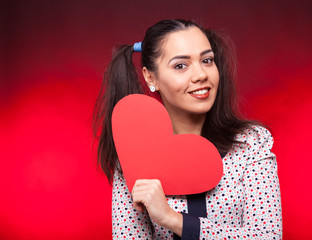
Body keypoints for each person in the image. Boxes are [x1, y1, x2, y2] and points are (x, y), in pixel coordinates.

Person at [93, 19, 282, 239]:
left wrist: (172, 219)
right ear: (150, 77)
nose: (201, 74)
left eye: (207, 60)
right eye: (180, 65)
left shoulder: (251, 144)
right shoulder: (134, 157)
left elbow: (268, 236)